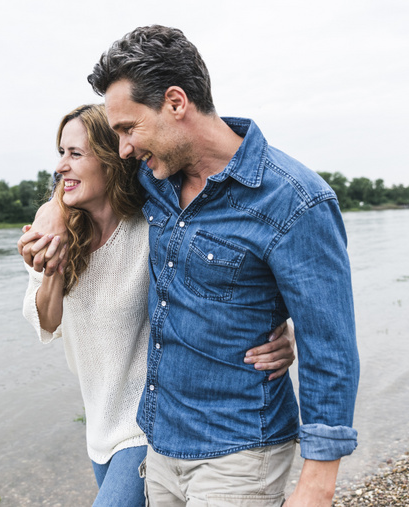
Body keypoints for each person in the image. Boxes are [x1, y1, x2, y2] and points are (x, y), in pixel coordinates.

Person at [22, 25, 360, 506]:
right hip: (161, 445)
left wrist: (318, 482)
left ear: (176, 103)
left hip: (241, 449)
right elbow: (84, 172)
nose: (124, 149)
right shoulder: (154, 180)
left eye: (129, 129)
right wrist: (55, 209)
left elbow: (330, 348)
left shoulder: (296, 202)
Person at [20, 103, 296, 507]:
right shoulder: (55, 234)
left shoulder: (154, 227)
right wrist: (55, 259)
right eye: (60, 153)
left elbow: (220, 286)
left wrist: (281, 329)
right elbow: (45, 321)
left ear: (112, 160)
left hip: (147, 424)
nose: (61, 166)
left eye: (75, 154)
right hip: (99, 428)